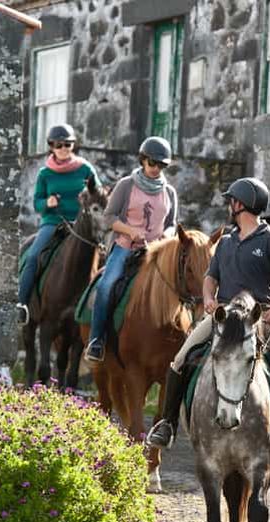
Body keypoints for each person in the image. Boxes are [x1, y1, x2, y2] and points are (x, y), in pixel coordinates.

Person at [146, 177, 270, 462]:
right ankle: (167, 424)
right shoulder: (227, 242)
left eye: (232, 200)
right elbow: (210, 278)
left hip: (259, 315)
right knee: (181, 359)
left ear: (241, 204)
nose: (230, 204)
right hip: (224, 315)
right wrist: (208, 298)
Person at [84, 136, 179, 363]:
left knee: (179, 285)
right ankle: (96, 340)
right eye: (153, 163)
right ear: (143, 160)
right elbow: (109, 218)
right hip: (126, 247)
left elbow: (172, 223)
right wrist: (129, 230)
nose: (157, 169)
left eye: (162, 165)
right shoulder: (126, 185)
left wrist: (167, 236)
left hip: (156, 250)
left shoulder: (170, 192)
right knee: (107, 284)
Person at [17, 124, 101, 326]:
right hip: (53, 223)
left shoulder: (85, 169)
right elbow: (37, 203)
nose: (63, 148)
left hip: (81, 225)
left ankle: (99, 310)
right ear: (51, 146)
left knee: (105, 256)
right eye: (58, 144)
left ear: (73, 145)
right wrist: (47, 203)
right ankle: (22, 304)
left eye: (67, 144)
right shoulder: (45, 174)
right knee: (34, 255)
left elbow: (99, 195)